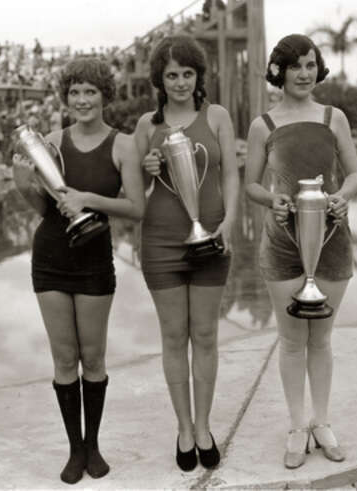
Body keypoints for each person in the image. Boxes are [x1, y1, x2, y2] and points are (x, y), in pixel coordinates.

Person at [12, 57, 145, 485]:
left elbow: (136, 208)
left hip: (93, 261)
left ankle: (94, 445)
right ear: (65, 97)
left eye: (90, 91)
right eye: (74, 92)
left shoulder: (123, 145)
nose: (82, 100)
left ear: (105, 95)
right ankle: (75, 449)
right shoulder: (50, 142)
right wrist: (23, 186)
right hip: (51, 259)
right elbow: (45, 209)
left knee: (94, 356)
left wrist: (88, 199)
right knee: (64, 357)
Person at [244, 34, 357, 469]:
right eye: (295, 66)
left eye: (310, 64)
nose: (304, 73)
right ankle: (297, 427)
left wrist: (343, 196)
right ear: (279, 71)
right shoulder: (264, 125)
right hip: (283, 245)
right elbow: (251, 184)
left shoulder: (334, 118)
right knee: (292, 341)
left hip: (331, 241)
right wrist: (270, 199)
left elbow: (354, 174)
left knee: (322, 339)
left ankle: (322, 422)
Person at [135, 35, 239, 471]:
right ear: (159, 80)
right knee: (174, 337)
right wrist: (147, 169)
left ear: (199, 76)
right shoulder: (146, 125)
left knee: (207, 335)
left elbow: (230, 175)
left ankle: (204, 426)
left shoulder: (216, 116)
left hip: (211, 237)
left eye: (188, 73)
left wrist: (229, 223)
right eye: (171, 75)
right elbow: (135, 192)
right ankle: (183, 429)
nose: (180, 82)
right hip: (161, 243)